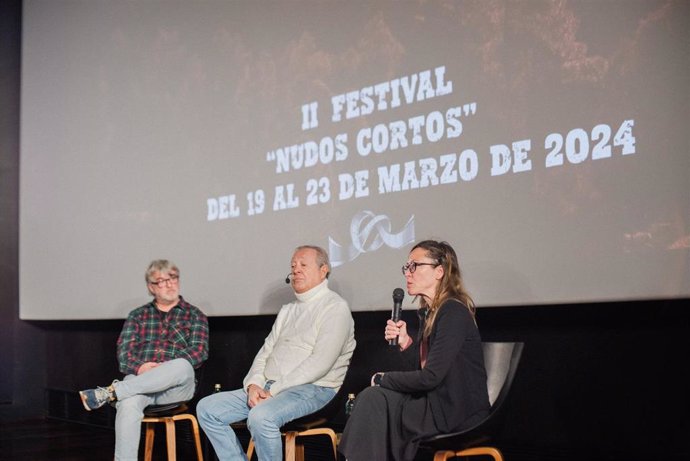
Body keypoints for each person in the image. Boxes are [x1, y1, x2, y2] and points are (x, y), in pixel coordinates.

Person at [197, 245, 356, 461]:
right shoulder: (288, 310)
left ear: (323, 270)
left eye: (303, 265)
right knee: (208, 408)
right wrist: (254, 384)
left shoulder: (335, 307)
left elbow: (320, 363)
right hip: (270, 387)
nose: (296, 270)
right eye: (293, 266)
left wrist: (274, 391)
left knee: (261, 417)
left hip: (315, 389)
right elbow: (266, 351)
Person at [339, 239, 490, 461]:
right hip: (436, 401)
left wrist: (383, 379)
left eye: (415, 266)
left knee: (375, 398)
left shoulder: (453, 312)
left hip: (454, 409)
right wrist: (407, 343)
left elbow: (430, 377)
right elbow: (425, 368)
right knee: (374, 400)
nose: (407, 273)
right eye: (406, 267)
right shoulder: (431, 313)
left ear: (439, 271)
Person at [78, 259, 209, 461]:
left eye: (172, 278)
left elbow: (199, 352)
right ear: (151, 287)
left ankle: (111, 392)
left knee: (182, 365)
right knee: (128, 404)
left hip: (175, 389)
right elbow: (124, 354)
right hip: (140, 385)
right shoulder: (137, 316)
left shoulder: (195, 315)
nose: (169, 284)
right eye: (161, 281)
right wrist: (140, 367)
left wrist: (163, 370)